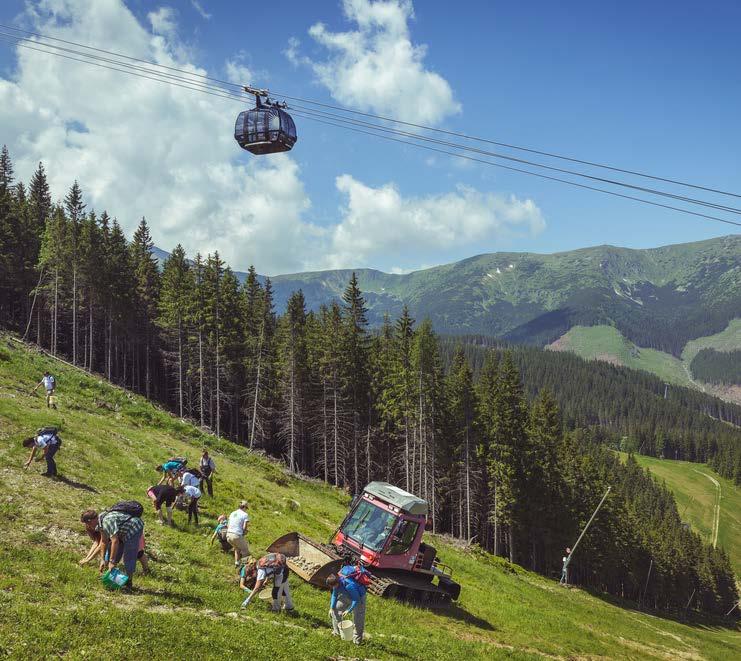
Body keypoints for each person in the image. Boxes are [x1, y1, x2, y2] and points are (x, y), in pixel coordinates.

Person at [80, 508, 144, 591]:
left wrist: (112, 561)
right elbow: (103, 542)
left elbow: (115, 541)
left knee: (128, 556)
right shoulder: (100, 523)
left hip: (134, 528)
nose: (88, 526)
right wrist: (102, 559)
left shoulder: (107, 521)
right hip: (121, 532)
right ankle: (110, 576)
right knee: (111, 552)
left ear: (91, 520)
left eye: (87, 523)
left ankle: (129, 582)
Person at [326, 565, 369, 646]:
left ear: (337, 583)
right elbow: (334, 595)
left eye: (332, 586)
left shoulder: (349, 585)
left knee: (358, 619)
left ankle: (357, 641)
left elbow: (355, 599)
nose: (331, 588)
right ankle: (337, 632)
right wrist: (331, 608)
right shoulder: (336, 584)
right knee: (336, 608)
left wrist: (348, 610)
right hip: (346, 594)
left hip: (359, 597)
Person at [226, 501, 250, 568]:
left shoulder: (232, 513)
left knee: (237, 549)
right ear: (244, 507)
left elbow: (228, 525)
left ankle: (237, 563)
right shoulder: (245, 515)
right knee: (246, 551)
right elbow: (244, 527)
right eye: (246, 508)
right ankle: (244, 568)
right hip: (236, 535)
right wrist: (245, 532)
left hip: (228, 535)